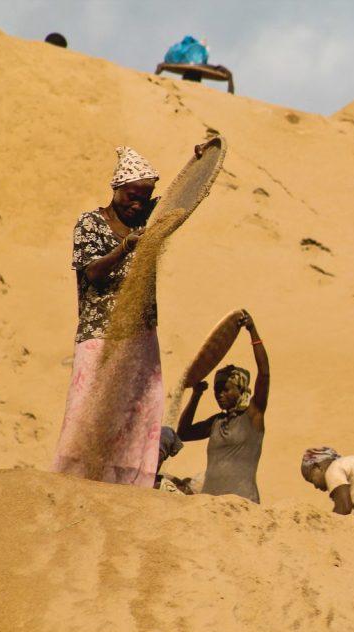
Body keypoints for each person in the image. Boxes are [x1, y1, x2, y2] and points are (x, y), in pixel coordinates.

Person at [51, 147, 163, 486]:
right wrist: (125, 248)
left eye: (145, 198)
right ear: (116, 188)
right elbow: (93, 274)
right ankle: (76, 478)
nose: (137, 204)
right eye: (132, 196)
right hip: (100, 333)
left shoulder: (147, 221)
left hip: (140, 335)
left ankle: (130, 482)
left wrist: (200, 160)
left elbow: (180, 200)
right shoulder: (90, 223)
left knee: (142, 410)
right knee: (89, 406)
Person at [177, 311, 269, 503]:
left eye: (226, 389)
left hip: (243, 504)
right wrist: (196, 396)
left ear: (240, 389)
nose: (220, 395)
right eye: (217, 390)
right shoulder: (217, 422)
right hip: (211, 505)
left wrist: (252, 331)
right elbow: (183, 433)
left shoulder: (253, 415)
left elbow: (264, 374)